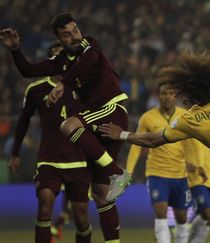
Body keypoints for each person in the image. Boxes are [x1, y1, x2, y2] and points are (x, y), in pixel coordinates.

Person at [1, 13, 129, 243]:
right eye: (67, 34)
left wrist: (64, 83)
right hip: (92, 121)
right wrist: (15, 49)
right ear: (59, 39)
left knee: (69, 125)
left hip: (110, 107)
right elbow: (28, 71)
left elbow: (89, 62)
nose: (74, 36)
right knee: (101, 194)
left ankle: (118, 173)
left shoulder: (90, 44)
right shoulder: (60, 62)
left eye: (75, 30)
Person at [8, 42, 91, 243]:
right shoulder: (36, 89)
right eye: (55, 57)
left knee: (80, 218)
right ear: (49, 62)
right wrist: (15, 152)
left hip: (77, 160)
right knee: (45, 206)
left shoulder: (81, 87)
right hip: (49, 159)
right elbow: (23, 120)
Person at [125, 81, 206, 243]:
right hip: (157, 173)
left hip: (180, 175)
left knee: (182, 217)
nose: (167, 97)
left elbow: (193, 144)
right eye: (164, 93)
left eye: (171, 93)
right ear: (157, 96)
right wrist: (128, 171)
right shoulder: (147, 118)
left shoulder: (185, 116)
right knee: (160, 212)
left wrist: (199, 165)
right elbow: (136, 144)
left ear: (175, 96)